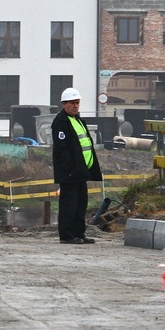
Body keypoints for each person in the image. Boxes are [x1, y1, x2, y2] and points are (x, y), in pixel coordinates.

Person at [51, 87, 102, 244]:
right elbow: (62, 149)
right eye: (72, 103)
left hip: (81, 171)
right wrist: (70, 170)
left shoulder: (78, 120)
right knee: (69, 204)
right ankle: (66, 235)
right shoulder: (61, 122)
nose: (75, 106)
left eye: (77, 103)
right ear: (64, 104)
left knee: (80, 204)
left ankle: (79, 233)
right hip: (70, 173)